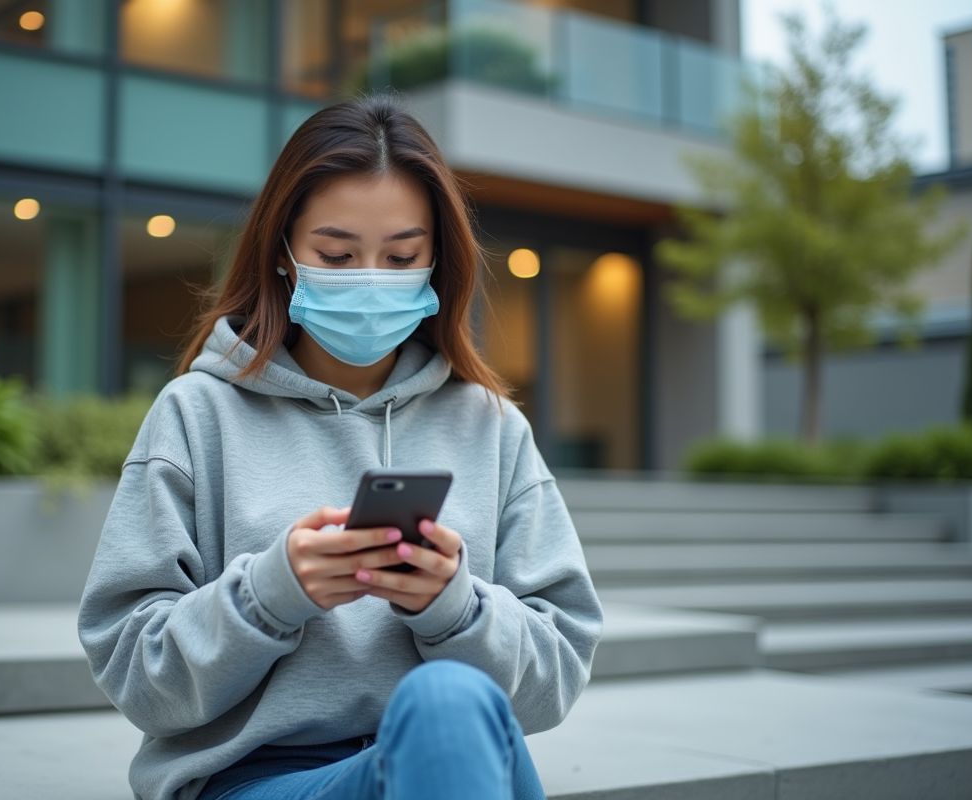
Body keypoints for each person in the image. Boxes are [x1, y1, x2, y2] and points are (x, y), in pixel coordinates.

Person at [78, 94, 604, 800]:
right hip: (255, 779)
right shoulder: (198, 415)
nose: (368, 279)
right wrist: (269, 595)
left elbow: (556, 679)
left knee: (448, 705)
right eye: (337, 253)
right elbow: (137, 679)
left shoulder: (492, 428)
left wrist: (456, 608)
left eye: (401, 256)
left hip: (448, 755)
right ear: (285, 252)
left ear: (436, 264)